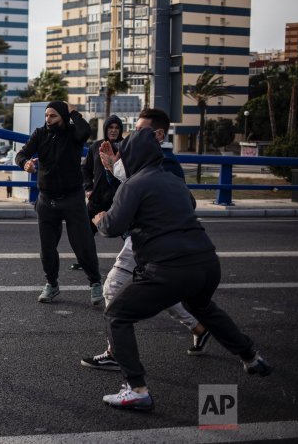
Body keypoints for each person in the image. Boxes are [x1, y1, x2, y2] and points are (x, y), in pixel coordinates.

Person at [93, 127, 273, 411]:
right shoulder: (174, 181)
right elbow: (186, 204)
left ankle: (136, 388)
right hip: (206, 263)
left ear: (132, 156)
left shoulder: (133, 185)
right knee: (202, 306)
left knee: (117, 314)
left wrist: (100, 218)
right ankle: (251, 357)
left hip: (169, 268)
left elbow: (113, 226)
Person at [81, 109, 210, 371]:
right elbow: (137, 184)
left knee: (113, 287)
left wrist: (105, 218)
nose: (132, 135)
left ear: (159, 134)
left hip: (154, 235)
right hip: (145, 236)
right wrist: (113, 165)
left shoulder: (167, 162)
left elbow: (157, 193)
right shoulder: (143, 156)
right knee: (159, 287)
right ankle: (199, 327)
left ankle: (117, 354)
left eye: (140, 130)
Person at [15, 101, 103, 305]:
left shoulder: (73, 133)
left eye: (53, 116)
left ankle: (95, 283)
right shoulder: (39, 134)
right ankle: (52, 284)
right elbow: (22, 153)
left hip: (72, 199)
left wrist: (73, 112)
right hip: (46, 200)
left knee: (82, 244)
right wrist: (25, 163)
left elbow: (85, 132)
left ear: (63, 116)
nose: (48, 119)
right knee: (47, 248)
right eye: (46, 115)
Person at [68, 115, 124, 272]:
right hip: (97, 197)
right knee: (86, 231)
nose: (113, 131)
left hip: (118, 197)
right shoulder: (96, 146)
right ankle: (84, 260)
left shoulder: (125, 147)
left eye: (116, 128)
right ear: (105, 129)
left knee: (126, 231)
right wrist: (88, 188)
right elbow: (85, 170)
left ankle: (134, 260)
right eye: (110, 128)